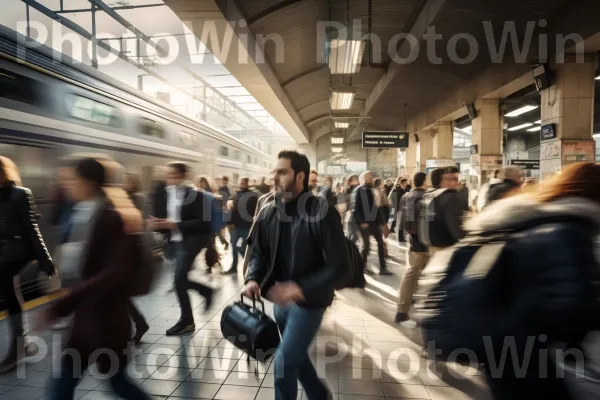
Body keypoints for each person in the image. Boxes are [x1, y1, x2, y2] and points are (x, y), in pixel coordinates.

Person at [462, 162, 600, 400]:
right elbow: (571, 306)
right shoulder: (567, 230)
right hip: (533, 351)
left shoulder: (532, 217)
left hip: (501, 341)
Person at [38, 157, 151, 399]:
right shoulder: (83, 212)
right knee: (79, 385)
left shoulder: (113, 217)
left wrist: (62, 304)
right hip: (88, 320)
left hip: (105, 322)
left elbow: (114, 272)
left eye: (71, 179)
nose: (65, 185)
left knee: (112, 384)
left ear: (87, 183)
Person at [244, 150, 348, 400]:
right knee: (295, 357)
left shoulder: (322, 211)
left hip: (309, 302)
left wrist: (300, 288)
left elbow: (340, 265)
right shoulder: (269, 211)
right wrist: (252, 278)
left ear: (299, 176)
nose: (274, 178)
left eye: (281, 172)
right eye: (274, 172)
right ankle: (319, 395)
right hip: (280, 304)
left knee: (282, 363)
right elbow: (259, 253)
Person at [0, 157, 54, 373]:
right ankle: (23, 343)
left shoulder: (21, 194)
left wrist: (45, 257)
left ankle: (18, 346)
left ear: (4, 173)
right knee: (8, 291)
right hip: (2, 251)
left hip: (18, 251)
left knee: (5, 285)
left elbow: (32, 227)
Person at [149, 162, 213, 335]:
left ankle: (187, 321)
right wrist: (157, 224)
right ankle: (205, 291)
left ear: (183, 176)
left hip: (190, 242)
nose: (170, 179)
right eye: (168, 175)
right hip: (174, 242)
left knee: (178, 280)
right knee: (180, 281)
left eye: (174, 175)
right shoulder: (164, 195)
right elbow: (165, 221)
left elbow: (204, 222)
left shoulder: (194, 195)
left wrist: (175, 224)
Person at [395, 172, 429, 324]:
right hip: (426, 243)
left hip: (412, 240)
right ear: (424, 181)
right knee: (422, 276)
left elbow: (402, 218)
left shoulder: (406, 196)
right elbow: (429, 221)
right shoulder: (426, 197)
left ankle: (403, 309)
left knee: (411, 275)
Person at [123, 173, 150, 345]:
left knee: (119, 294)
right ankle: (139, 324)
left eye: (128, 181)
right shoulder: (124, 197)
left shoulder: (136, 199)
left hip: (130, 251)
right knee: (120, 295)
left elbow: (137, 224)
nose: (124, 183)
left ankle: (139, 324)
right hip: (127, 249)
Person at [351, 171, 391, 275]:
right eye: (370, 177)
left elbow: (376, 208)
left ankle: (383, 267)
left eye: (372, 177)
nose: (372, 178)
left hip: (373, 222)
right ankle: (361, 267)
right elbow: (356, 208)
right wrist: (362, 222)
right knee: (367, 245)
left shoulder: (371, 190)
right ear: (364, 179)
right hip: (364, 223)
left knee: (380, 243)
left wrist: (383, 224)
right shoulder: (359, 190)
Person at [221, 177, 258, 275]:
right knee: (234, 246)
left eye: (243, 182)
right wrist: (230, 222)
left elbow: (255, 211)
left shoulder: (253, 195)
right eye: (240, 182)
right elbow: (232, 209)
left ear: (247, 183)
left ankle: (251, 266)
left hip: (247, 226)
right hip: (236, 226)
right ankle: (234, 267)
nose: (241, 184)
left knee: (244, 247)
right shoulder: (235, 194)